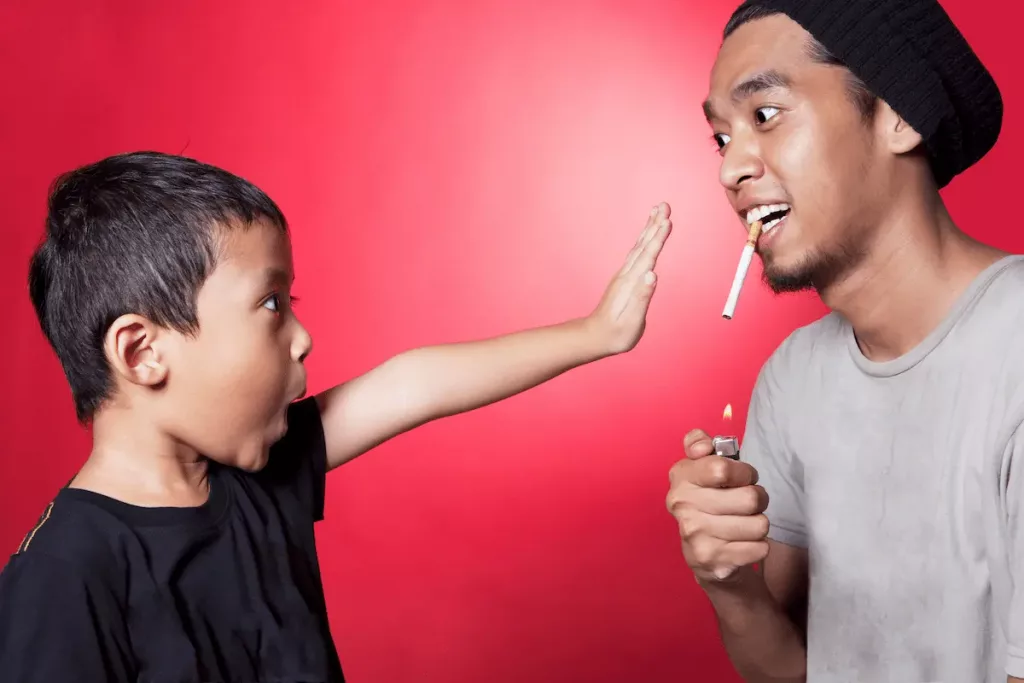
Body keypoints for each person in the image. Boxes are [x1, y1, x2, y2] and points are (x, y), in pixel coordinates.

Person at [0, 150, 671, 682]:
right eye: (271, 305)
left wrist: (596, 333)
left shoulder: (257, 473)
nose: (302, 336)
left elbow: (411, 383)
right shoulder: (63, 577)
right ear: (143, 351)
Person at [665, 1, 1024, 681]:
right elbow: (792, 670)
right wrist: (728, 582)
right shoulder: (793, 378)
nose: (729, 169)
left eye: (764, 115)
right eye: (721, 137)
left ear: (900, 116)